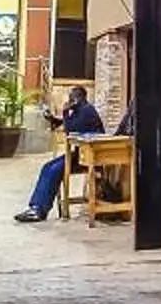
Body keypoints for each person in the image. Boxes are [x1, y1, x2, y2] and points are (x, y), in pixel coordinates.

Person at [13, 87, 110, 223]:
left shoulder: (87, 111)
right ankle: (35, 207)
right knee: (47, 167)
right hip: (79, 155)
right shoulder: (79, 110)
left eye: (71, 97)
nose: (69, 100)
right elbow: (67, 123)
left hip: (90, 157)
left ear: (77, 98)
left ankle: (40, 210)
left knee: (54, 170)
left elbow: (71, 128)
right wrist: (53, 119)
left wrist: (65, 111)